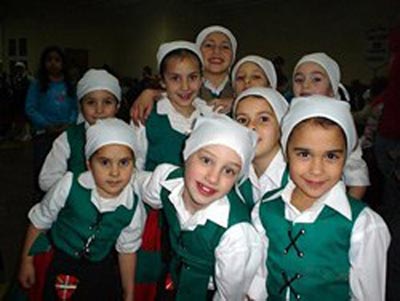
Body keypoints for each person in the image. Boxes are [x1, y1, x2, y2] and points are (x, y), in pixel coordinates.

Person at [248, 96, 391, 301]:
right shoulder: (265, 209)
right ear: (287, 154)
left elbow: (369, 295)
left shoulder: (364, 225)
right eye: (304, 154)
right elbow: (258, 279)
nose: (317, 170)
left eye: (331, 156)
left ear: (345, 158)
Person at [136, 113, 263, 300]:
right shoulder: (165, 180)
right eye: (206, 160)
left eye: (228, 171)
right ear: (187, 155)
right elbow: (143, 188)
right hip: (171, 279)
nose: (212, 178)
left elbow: (229, 296)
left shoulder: (237, 234)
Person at [18, 118, 146, 301]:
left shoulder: (133, 206)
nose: (115, 172)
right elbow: (40, 222)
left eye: (124, 162)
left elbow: (127, 251)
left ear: (134, 165)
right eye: (104, 162)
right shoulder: (69, 184)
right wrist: (26, 261)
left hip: (100, 269)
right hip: (61, 260)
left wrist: (129, 293)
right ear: (89, 164)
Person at [133, 40, 212, 300]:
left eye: (192, 77)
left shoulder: (212, 117)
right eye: (175, 78)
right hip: (157, 217)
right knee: (156, 278)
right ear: (162, 82)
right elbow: (134, 167)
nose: (185, 86)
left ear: (202, 79)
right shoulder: (148, 117)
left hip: (202, 214)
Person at [291, 52, 369, 200]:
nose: (306, 85)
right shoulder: (287, 118)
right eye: (299, 80)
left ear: (332, 88)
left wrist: (344, 211)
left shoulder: (341, 123)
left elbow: (357, 177)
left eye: (316, 79)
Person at [130, 25, 237, 124]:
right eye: (209, 45)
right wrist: (150, 93)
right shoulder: (170, 97)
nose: (216, 51)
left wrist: (238, 101)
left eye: (225, 47)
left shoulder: (241, 87)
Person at [38, 68, 121, 192]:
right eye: (91, 102)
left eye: (107, 102)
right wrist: (79, 188)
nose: (99, 110)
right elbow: (46, 180)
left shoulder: (127, 136)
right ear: (81, 107)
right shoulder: (68, 138)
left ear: (117, 107)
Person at [25, 46, 78, 202]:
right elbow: (30, 108)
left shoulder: (69, 85)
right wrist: (46, 124)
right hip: (43, 133)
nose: (53, 63)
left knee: (64, 166)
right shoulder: (37, 85)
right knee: (42, 167)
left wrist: (69, 124)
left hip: (65, 133)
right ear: (44, 63)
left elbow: (76, 108)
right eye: (49, 60)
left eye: (57, 60)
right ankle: (41, 200)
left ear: (63, 63)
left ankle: (62, 199)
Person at [232, 87, 288, 210]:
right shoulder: (236, 176)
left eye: (263, 119)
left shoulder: (297, 178)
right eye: (242, 120)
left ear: (282, 126)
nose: (251, 126)